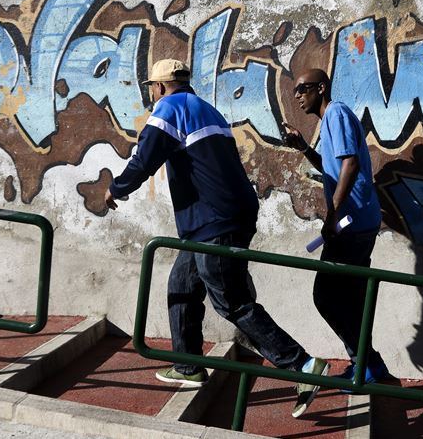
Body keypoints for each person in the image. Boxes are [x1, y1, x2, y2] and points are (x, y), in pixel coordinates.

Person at [105, 58, 327, 418]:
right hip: (216, 220)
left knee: (232, 302)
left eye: (152, 88)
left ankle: (302, 365)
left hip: (215, 222)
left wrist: (115, 189)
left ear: (160, 87)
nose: (152, 94)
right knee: (182, 283)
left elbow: (144, 158)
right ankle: (187, 363)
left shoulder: (169, 108)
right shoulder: (206, 110)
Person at [282, 68, 390, 390]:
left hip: (352, 224)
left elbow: (351, 164)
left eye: (302, 88)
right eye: (295, 91)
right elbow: (332, 167)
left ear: (321, 88)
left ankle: (366, 363)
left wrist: (333, 215)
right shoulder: (329, 122)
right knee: (352, 297)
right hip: (357, 222)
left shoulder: (337, 113)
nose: (298, 95)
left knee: (326, 295)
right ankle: (368, 365)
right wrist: (304, 148)